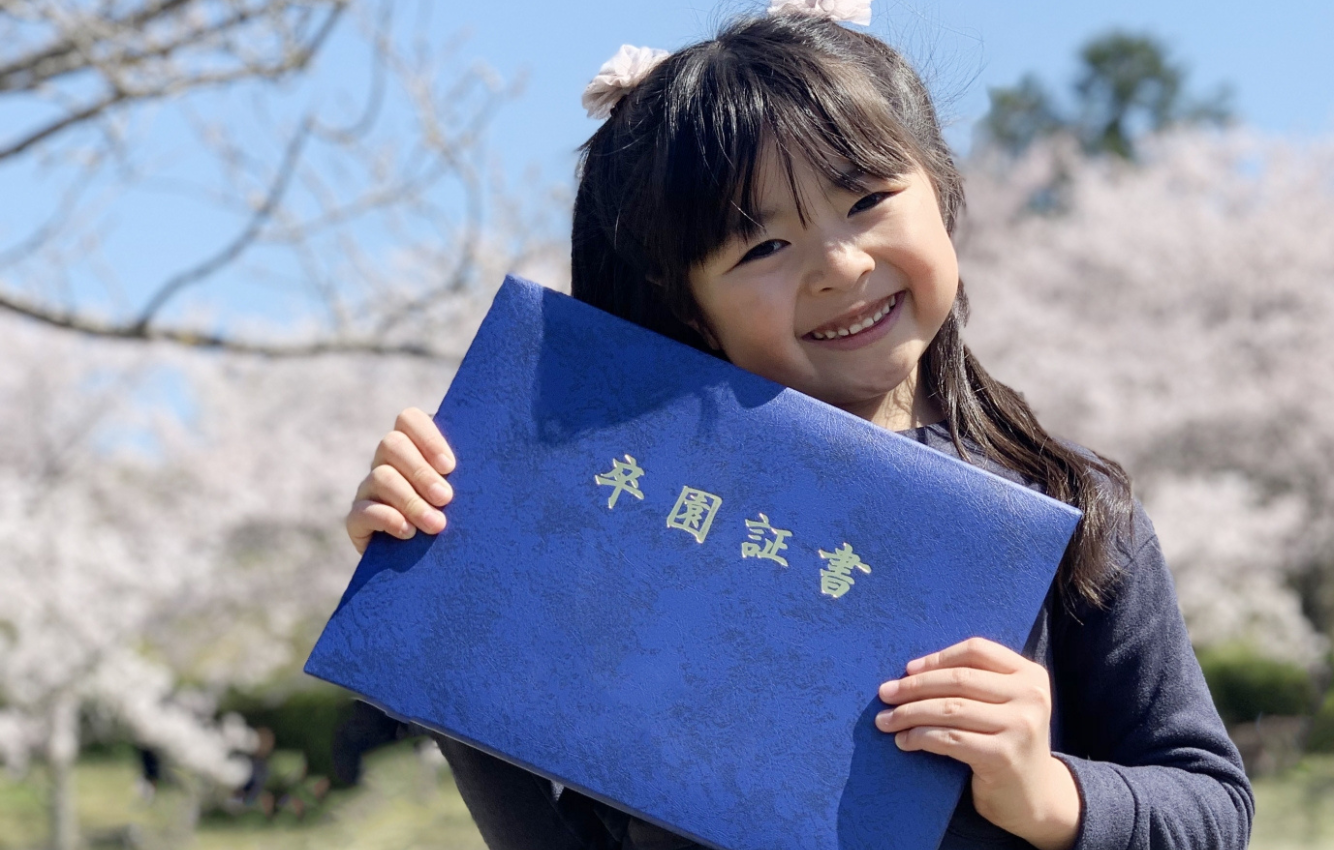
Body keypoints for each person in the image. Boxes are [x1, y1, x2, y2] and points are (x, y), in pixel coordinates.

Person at [343, 3, 1252, 848]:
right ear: (688, 305)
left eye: (866, 200)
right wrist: (438, 591)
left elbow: (1213, 803)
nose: (839, 265)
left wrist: (1050, 793)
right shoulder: (630, 516)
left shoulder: (1071, 509)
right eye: (765, 246)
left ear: (941, 187)